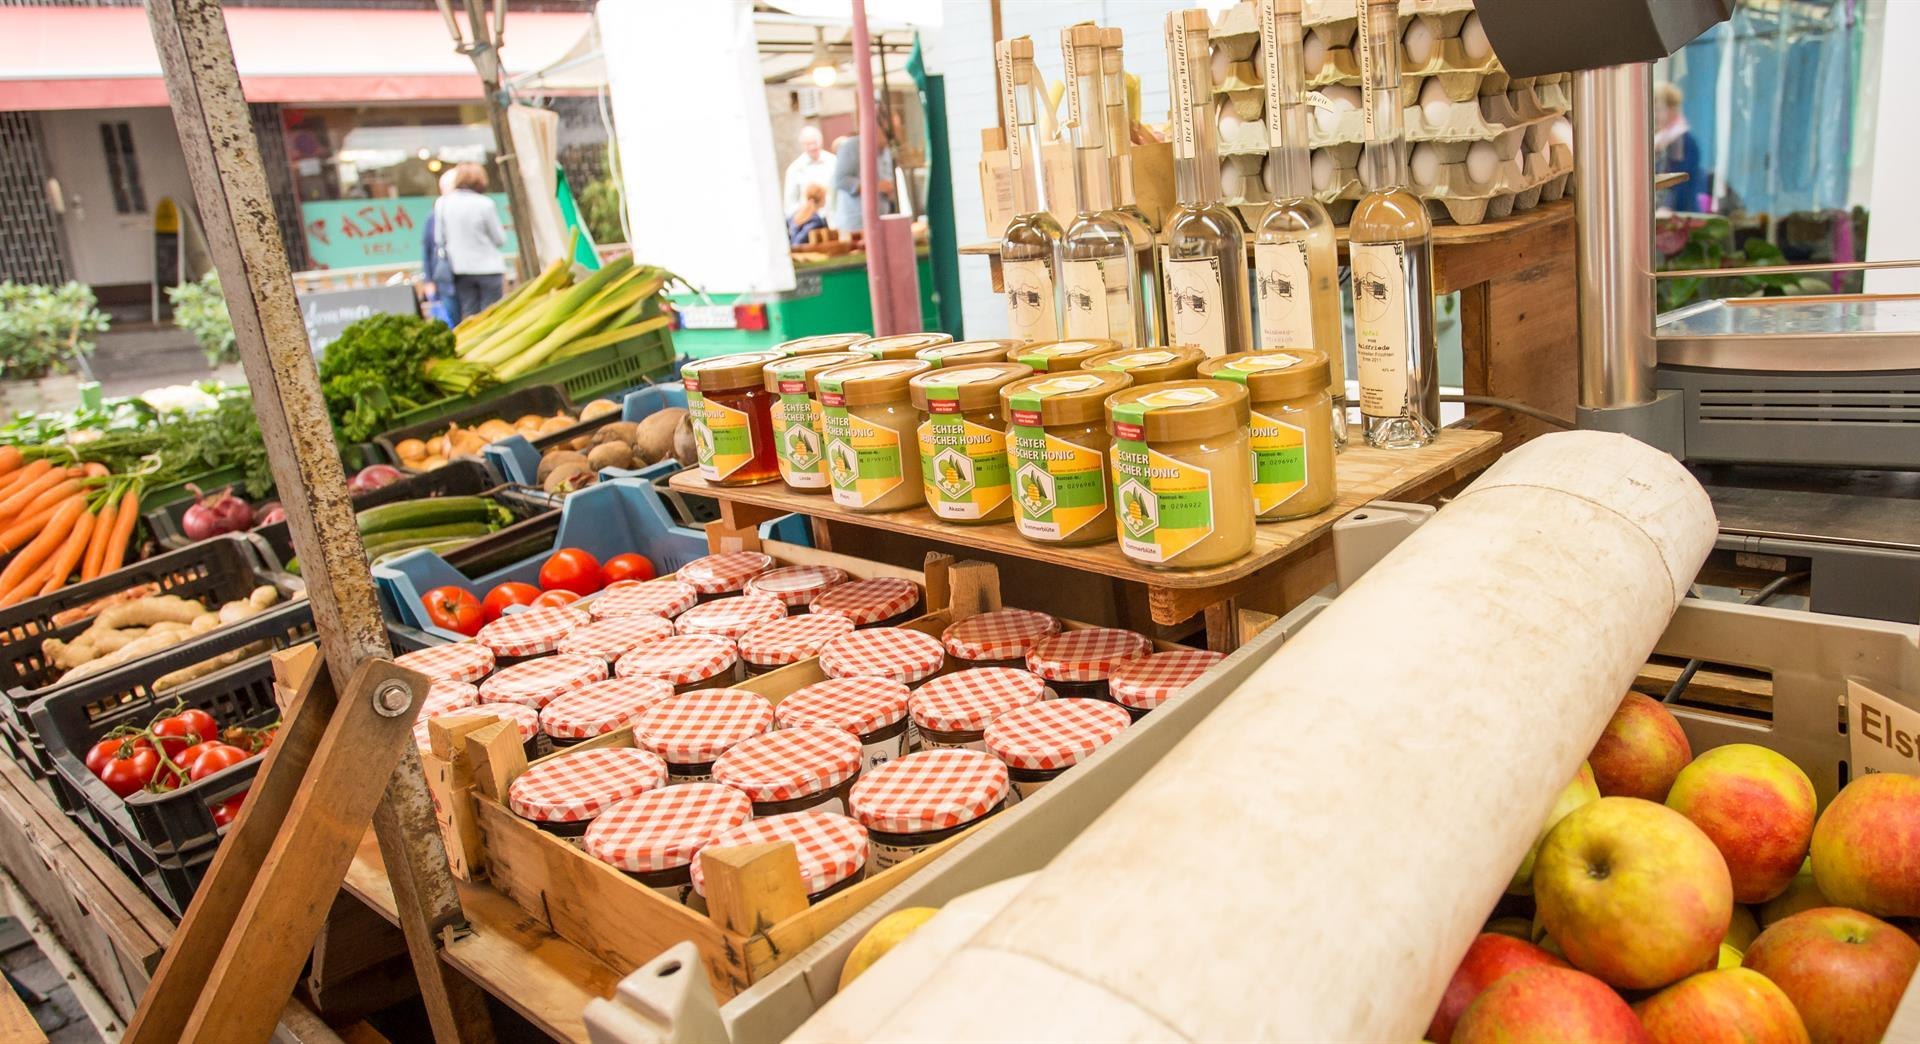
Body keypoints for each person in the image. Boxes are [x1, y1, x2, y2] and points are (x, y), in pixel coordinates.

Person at [436, 162, 508, 319]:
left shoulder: (442, 204)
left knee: (470, 315)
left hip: (461, 269)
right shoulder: (485, 204)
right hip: (489, 269)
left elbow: (439, 239)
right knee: (492, 315)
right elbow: (500, 239)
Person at [1655, 82, 1705, 213]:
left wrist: (1666, 207)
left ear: (1671, 109)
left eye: (1659, 109)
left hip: (1678, 215)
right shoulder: (1663, 139)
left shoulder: (1680, 140)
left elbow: (1677, 180)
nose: (1655, 115)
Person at [831, 133, 895, 234]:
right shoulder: (851, 147)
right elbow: (840, 180)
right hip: (856, 225)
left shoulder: (886, 150)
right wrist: (875, 187)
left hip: (881, 218)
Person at [419, 168, 460, 324]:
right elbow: (427, 250)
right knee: (453, 320)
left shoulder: (465, 212)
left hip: (467, 276)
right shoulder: (432, 217)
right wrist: (428, 280)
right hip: (446, 279)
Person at [782, 126, 837, 217]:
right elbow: (789, 205)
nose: (812, 147)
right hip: (810, 223)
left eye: (814, 143)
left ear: (821, 141)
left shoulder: (833, 162)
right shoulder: (795, 169)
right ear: (802, 146)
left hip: (834, 220)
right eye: (807, 144)